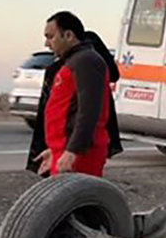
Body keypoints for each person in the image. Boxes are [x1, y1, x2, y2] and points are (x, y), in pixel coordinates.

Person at [26, 28, 123, 176]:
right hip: (63, 147)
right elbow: (61, 110)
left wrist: (72, 151)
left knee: (76, 195)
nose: (47, 43)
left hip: (79, 152)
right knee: (62, 195)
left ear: (69, 35)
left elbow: (88, 113)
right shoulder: (67, 63)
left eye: (51, 37)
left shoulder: (85, 61)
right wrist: (55, 148)